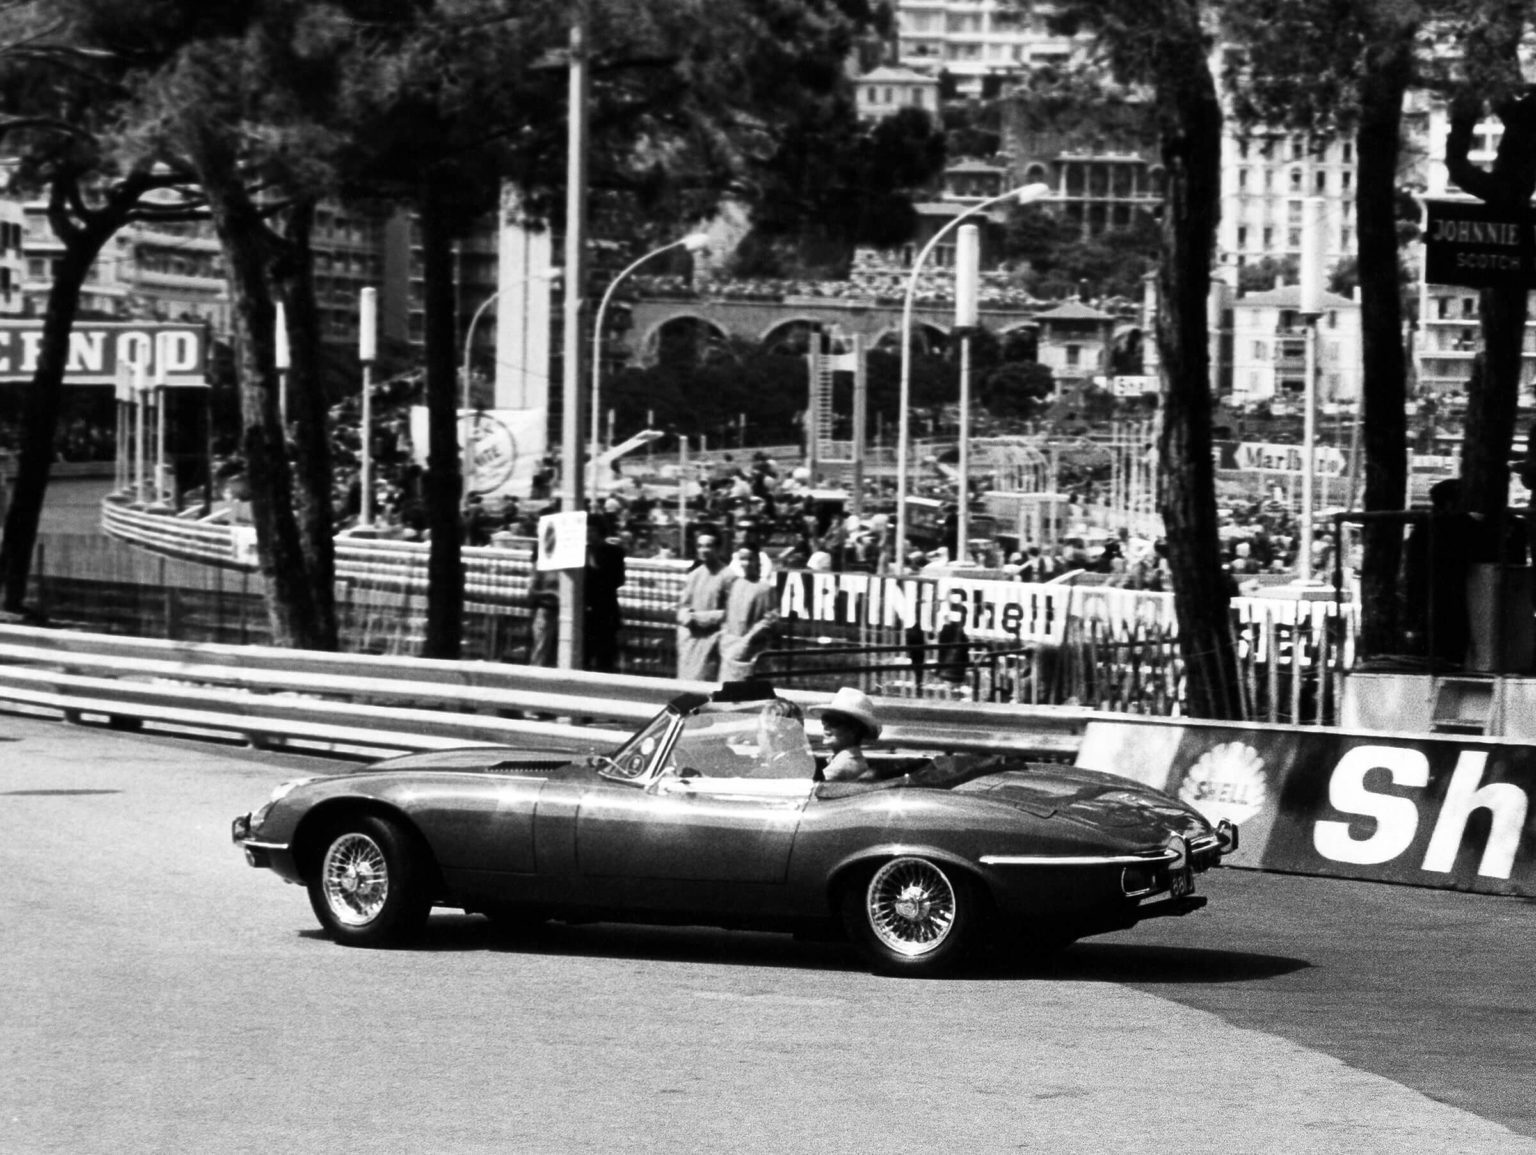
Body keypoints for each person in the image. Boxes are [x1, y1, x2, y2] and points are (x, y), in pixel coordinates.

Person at [674, 532, 736, 680]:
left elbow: (731, 611)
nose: (704, 550)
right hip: (691, 638)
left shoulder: (728, 575)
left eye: (709, 546)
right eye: (700, 546)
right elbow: (683, 604)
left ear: (718, 549)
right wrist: (686, 617)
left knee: (705, 681)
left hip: (712, 638)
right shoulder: (694, 574)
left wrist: (703, 618)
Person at [718, 547, 778, 681]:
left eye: (750, 559)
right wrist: (725, 638)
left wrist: (746, 641)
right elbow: (728, 614)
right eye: (742, 559)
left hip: (750, 650)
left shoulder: (765, 588)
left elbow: (769, 619)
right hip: (729, 647)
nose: (746, 563)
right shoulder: (735, 584)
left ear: (757, 561)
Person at [810, 687, 882, 783]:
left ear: (854, 729)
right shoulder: (847, 760)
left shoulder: (843, 766)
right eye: (825, 720)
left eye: (834, 722)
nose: (826, 727)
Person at [584, 513, 627, 673]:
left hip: (605, 610)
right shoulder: (578, 552)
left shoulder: (614, 552)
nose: (588, 535)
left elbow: (618, 580)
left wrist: (593, 571)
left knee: (606, 657)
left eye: (592, 531)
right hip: (584, 612)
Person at [754, 698, 815, 778]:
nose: (757, 736)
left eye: (759, 730)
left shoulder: (766, 775)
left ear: (778, 736)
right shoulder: (809, 763)